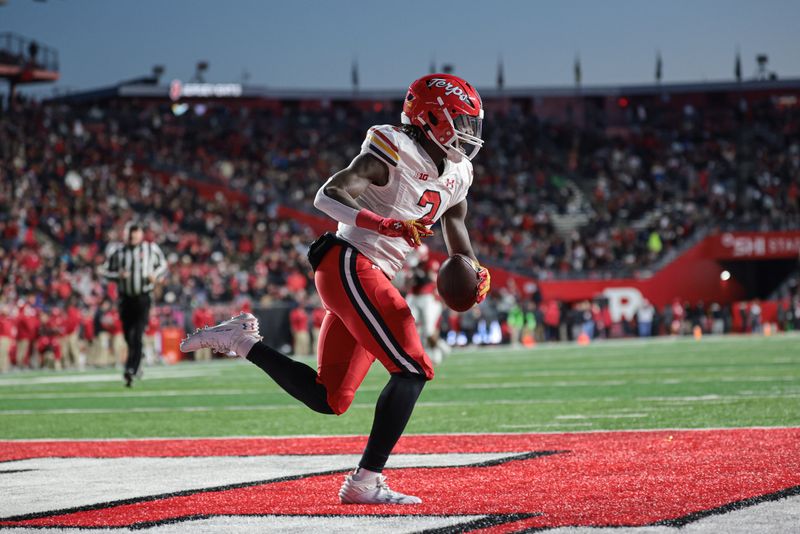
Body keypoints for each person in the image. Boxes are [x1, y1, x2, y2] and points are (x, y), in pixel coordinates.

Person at [181, 74, 490, 505]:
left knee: (330, 398)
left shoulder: (459, 170)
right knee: (414, 368)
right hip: (349, 259)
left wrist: (471, 267)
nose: (467, 133)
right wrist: (384, 223)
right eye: (459, 120)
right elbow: (328, 195)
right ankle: (365, 481)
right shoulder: (393, 146)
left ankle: (240, 341)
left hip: (371, 272)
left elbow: (455, 222)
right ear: (431, 115)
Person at [99, 221, 168, 387]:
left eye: (135, 233)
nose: (132, 236)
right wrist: (118, 275)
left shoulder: (151, 248)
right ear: (125, 235)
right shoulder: (118, 251)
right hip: (125, 299)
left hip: (143, 297)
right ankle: (137, 359)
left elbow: (163, 265)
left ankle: (131, 368)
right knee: (127, 335)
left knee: (136, 334)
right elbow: (105, 271)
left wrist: (155, 275)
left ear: (141, 234)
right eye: (130, 233)